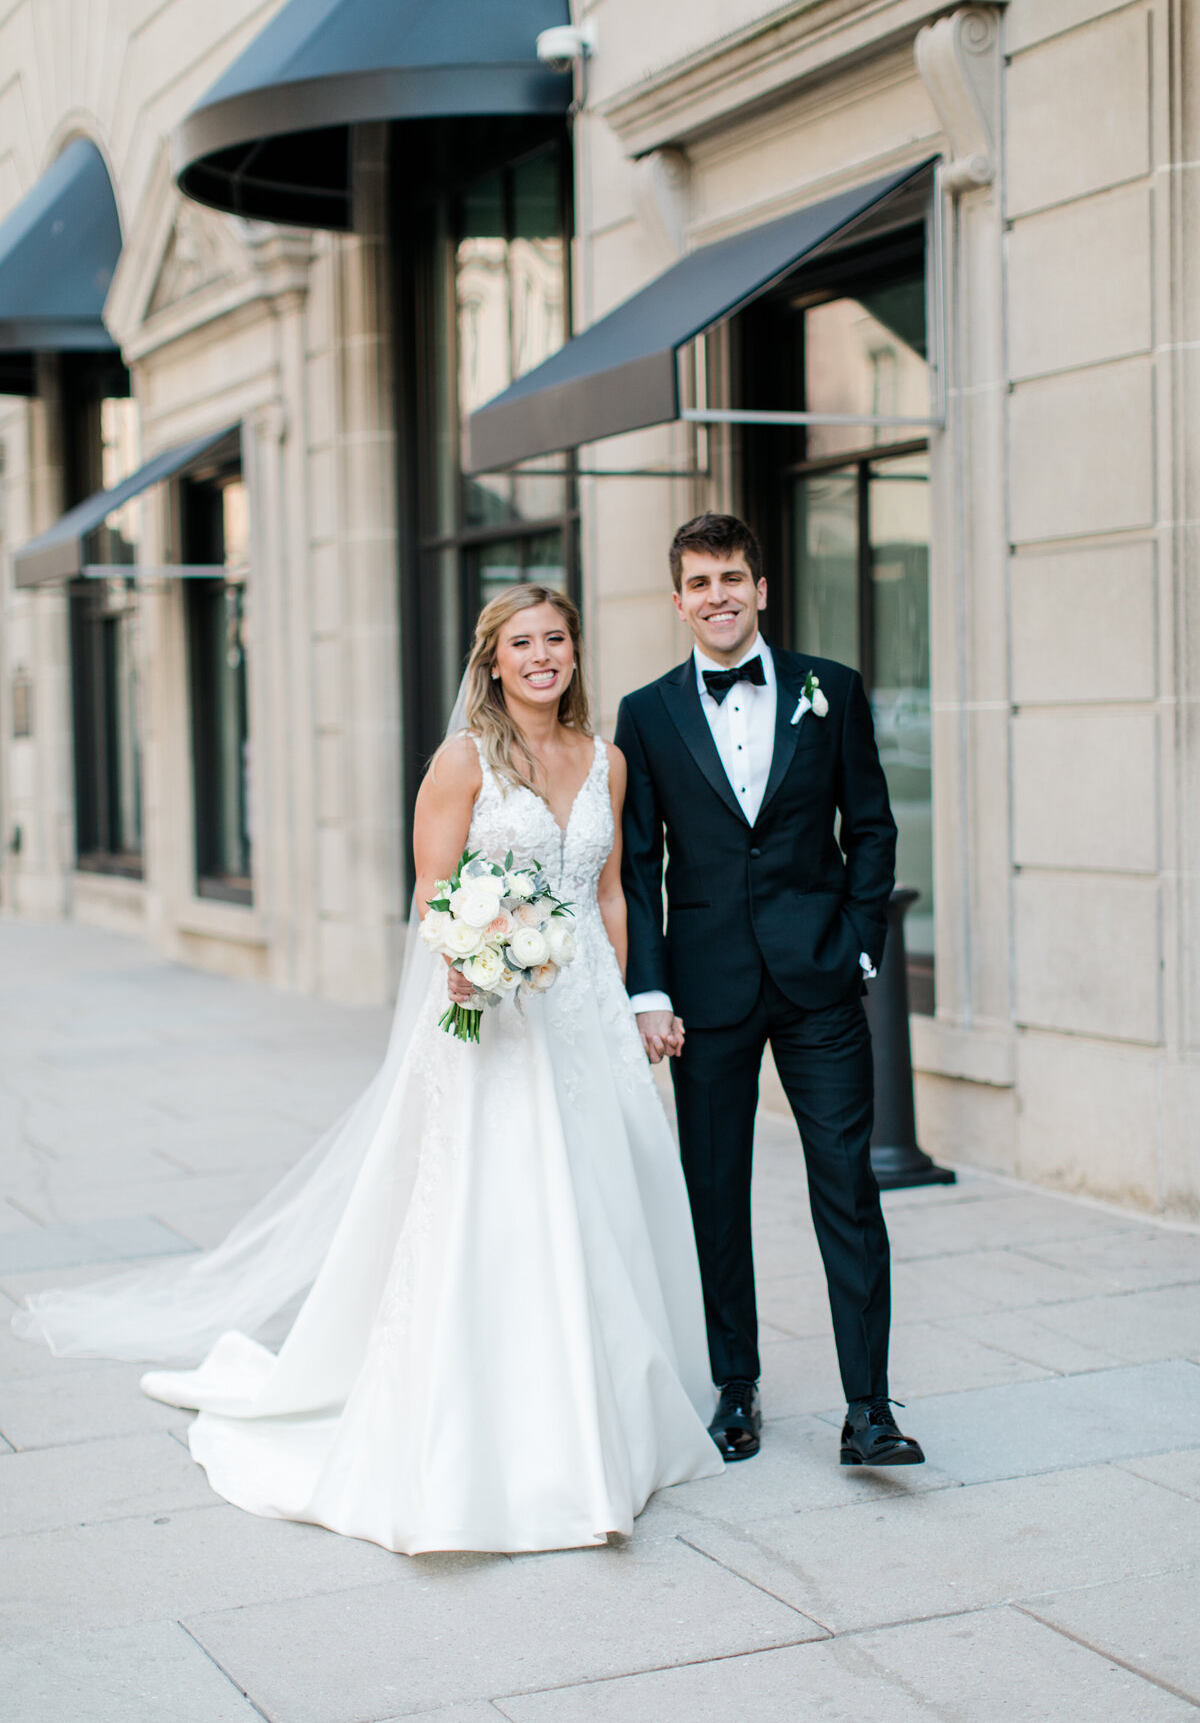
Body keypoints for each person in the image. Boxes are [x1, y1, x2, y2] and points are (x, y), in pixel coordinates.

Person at [12, 584, 722, 1554]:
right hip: (494, 1014)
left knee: (602, 1198)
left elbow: (608, 895)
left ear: (574, 653)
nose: (543, 656)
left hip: (588, 1012)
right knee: (506, 1203)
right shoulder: (463, 762)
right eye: (524, 643)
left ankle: (609, 1416)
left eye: (556, 639)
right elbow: (435, 891)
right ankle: (500, 1430)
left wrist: (639, 1003)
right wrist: (473, 972)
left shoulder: (608, 761)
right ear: (494, 659)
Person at [615, 512, 924, 1469]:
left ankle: (868, 1409)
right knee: (717, 1195)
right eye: (700, 583)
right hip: (705, 992)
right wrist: (648, 992)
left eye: (733, 578)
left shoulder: (831, 688)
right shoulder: (647, 713)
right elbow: (637, 867)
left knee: (849, 1188)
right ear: (678, 601)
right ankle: (736, 1388)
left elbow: (871, 826)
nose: (719, 596)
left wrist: (863, 947)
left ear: (761, 588)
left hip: (821, 981)